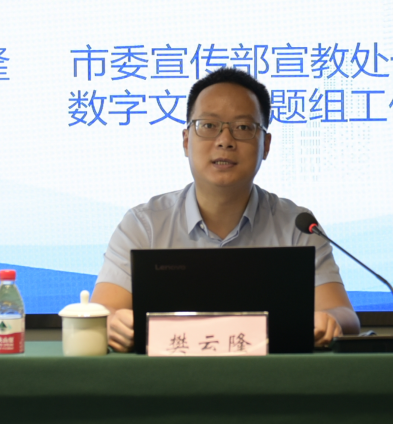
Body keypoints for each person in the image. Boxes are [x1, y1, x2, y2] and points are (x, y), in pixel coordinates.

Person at [91, 67, 360, 351]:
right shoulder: (144, 225)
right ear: (186, 141)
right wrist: (113, 322)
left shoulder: (298, 226)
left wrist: (330, 321)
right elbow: (103, 310)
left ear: (266, 145)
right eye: (208, 125)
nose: (225, 140)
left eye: (243, 127)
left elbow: (344, 315)